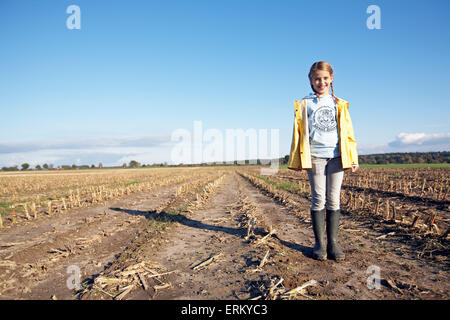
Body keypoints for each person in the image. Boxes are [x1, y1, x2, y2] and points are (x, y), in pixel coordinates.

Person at [288, 61, 359, 261]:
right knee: (319, 198)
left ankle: (333, 243)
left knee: (334, 198)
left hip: (338, 156)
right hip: (315, 156)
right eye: (317, 79)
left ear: (331, 79)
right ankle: (319, 244)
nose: (321, 82)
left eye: (325, 79)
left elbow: (349, 133)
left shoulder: (340, 104)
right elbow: (299, 133)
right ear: (311, 80)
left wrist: (353, 158)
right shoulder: (305, 104)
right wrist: (299, 158)